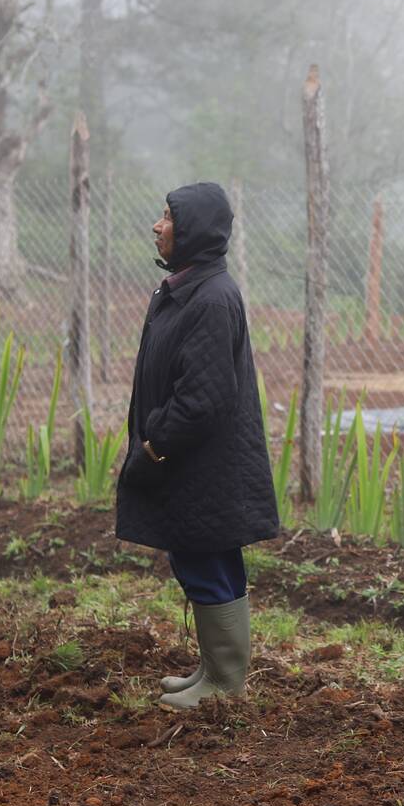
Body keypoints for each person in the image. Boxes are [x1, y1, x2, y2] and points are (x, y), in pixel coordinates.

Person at [115, 182, 280, 710]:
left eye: (168, 218)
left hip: (197, 464)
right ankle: (214, 669)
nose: (158, 226)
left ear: (194, 232)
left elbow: (203, 399)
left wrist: (153, 447)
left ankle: (225, 685)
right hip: (192, 463)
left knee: (207, 561)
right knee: (202, 559)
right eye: (161, 216)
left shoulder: (209, 298)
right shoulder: (188, 287)